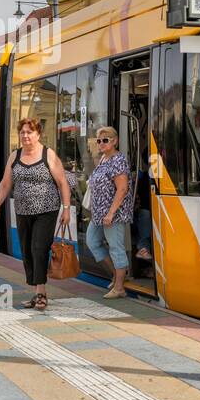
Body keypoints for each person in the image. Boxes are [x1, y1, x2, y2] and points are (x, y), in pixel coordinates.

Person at [0, 118, 71, 312]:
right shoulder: (14, 156)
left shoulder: (48, 154)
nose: (25, 136)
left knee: (38, 248)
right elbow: (5, 183)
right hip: (22, 211)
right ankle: (36, 292)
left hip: (47, 210)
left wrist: (66, 208)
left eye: (29, 132)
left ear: (38, 135)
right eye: (23, 132)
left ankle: (41, 293)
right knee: (27, 251)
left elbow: (62, 183)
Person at [84, 126, 135, 299]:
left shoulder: (118, 160)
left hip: (113, 214)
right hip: (99, 213)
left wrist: (111, 213)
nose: (101, 143)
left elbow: (122, 189)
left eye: (105, 140)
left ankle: (119, 288)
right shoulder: (104, 159)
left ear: (115, 141)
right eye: (99, 140)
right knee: (92, 241)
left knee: (116, 247)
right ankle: (117, 274)